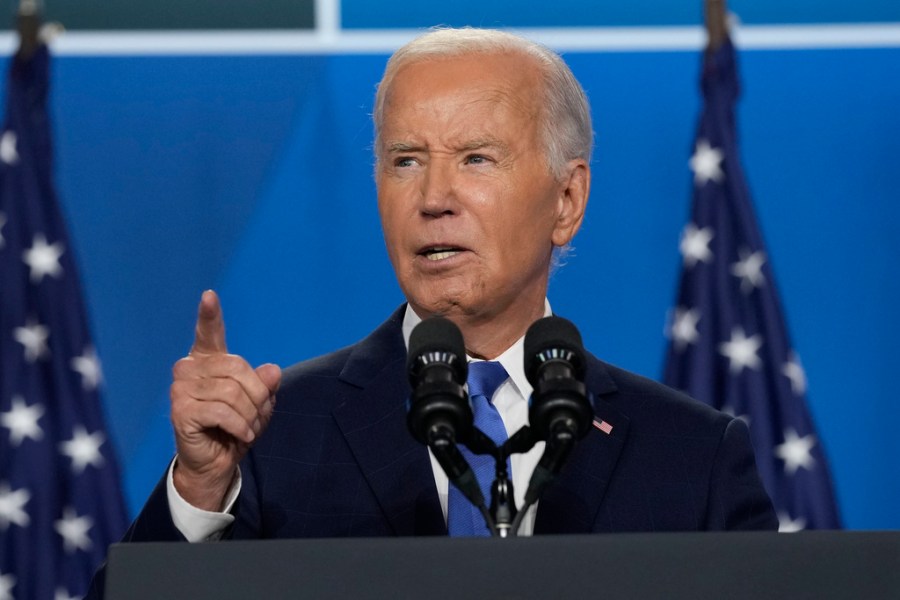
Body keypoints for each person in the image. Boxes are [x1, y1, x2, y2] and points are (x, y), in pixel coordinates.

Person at [88, 25, 776, 597]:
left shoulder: (693, 458)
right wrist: (200, 491)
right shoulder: (270, 439)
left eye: (476, 159)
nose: (434, 197)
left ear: (567, 201)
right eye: (406, 161)